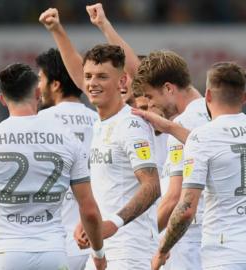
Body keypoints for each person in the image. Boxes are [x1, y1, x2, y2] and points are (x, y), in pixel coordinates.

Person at [40, 10, 162, 269]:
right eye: (89, 77)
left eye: (102, 77)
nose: (92, 84)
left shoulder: (132, 123)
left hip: (131, 250)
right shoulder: (100, 123)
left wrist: (113, 223)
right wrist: (89, 224)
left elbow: (152, 186)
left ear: (122, 82)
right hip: (102, 251)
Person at [0, 63, 106, 270]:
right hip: (53, 254)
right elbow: (89, 210)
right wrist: (98, 254)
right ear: (38, 93)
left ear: (2, 99)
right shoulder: (67, 139)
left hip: (4, 254)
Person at [151, 62, 246, 270]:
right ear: (245, 97)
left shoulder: (203, 137)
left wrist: (162, 249)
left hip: (226, 255)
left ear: (207, 96)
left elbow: (185, 209)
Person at [134, 50, 210, 270]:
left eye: (149, 97)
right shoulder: (215, 113)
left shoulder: (182, 125)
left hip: (188, 243)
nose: (150, 106)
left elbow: (173, 199)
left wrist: (139, 240)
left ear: (168, 88)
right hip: (218, 240)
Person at [35, 48, 99, 270]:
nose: (38, 87)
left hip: (52, 244)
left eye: (41, 79)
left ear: (55, 84)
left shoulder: (37, 123)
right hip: (94, 241)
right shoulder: (100, 121)